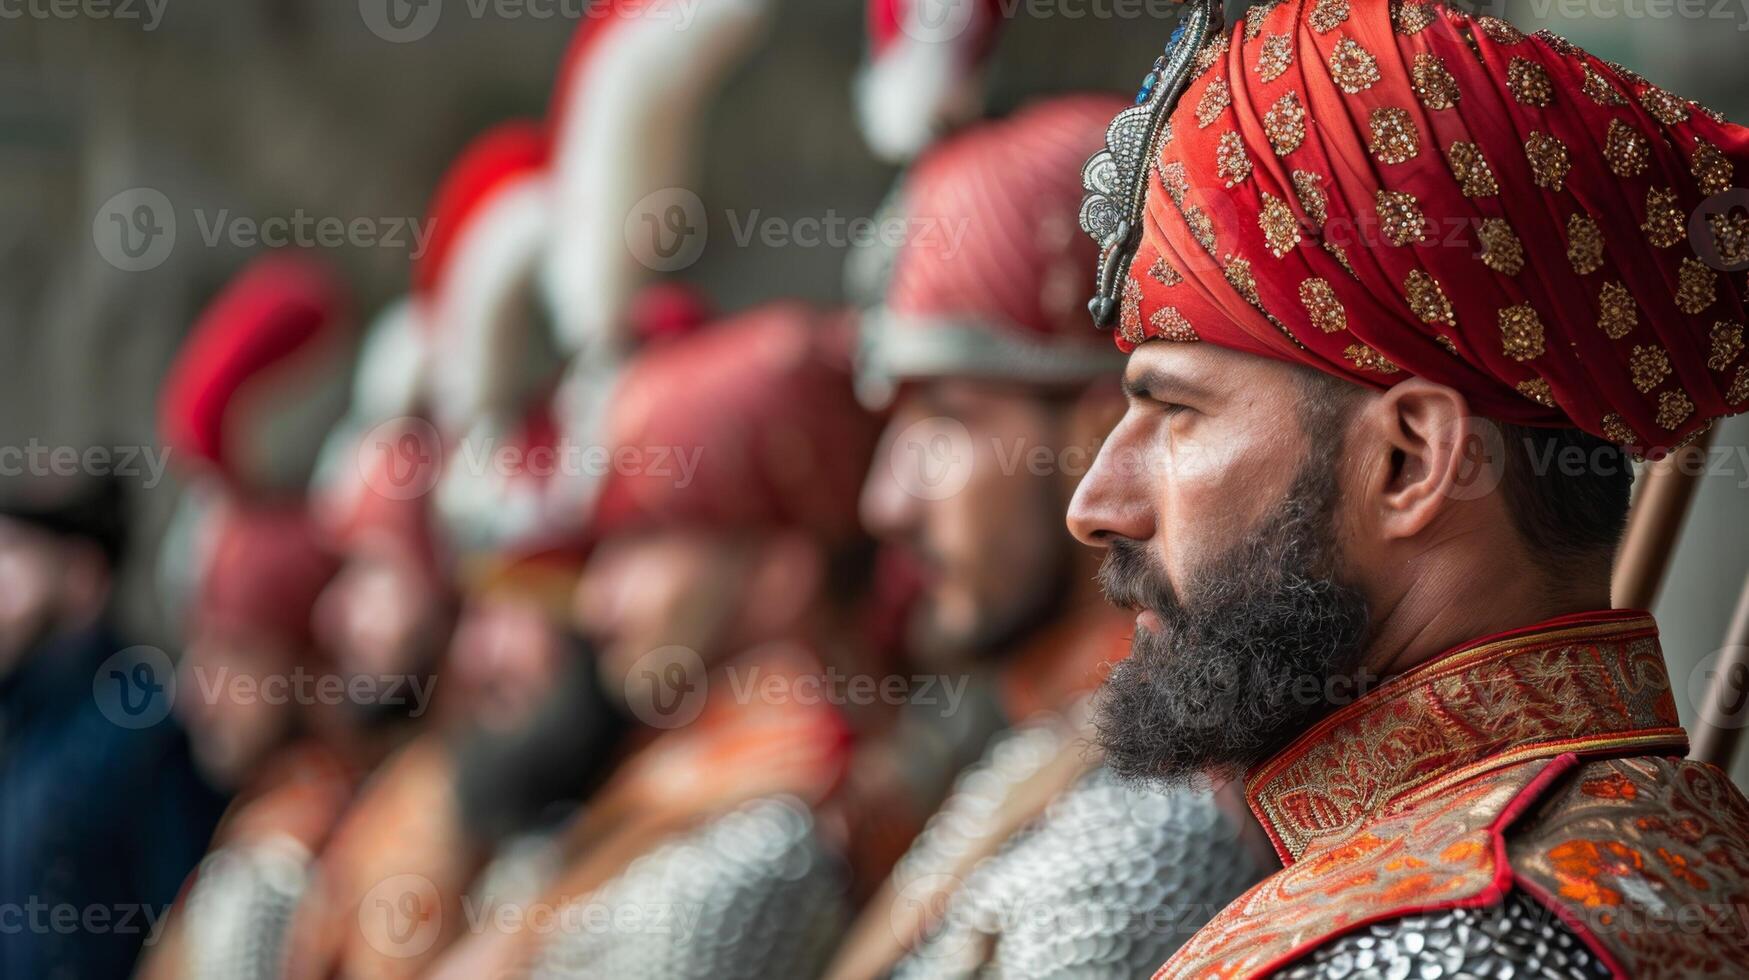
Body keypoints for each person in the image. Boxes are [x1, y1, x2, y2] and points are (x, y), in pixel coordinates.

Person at [1067, 0, 1749, 976]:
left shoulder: (1449, 939)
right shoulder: (1662, 844)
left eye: (1175, 413)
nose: (1096, 503)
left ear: (1410, 460)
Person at [829, 96, 1269, 979]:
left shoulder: (1152, 819)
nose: (886, 502)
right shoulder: (1051, 752)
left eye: (946, 420)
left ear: (1101, 430)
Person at [0, 476, 225, 980]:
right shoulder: (28, 717)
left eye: (12, 556)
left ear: (84, 577)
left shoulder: (144, 722)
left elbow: (184, 925)